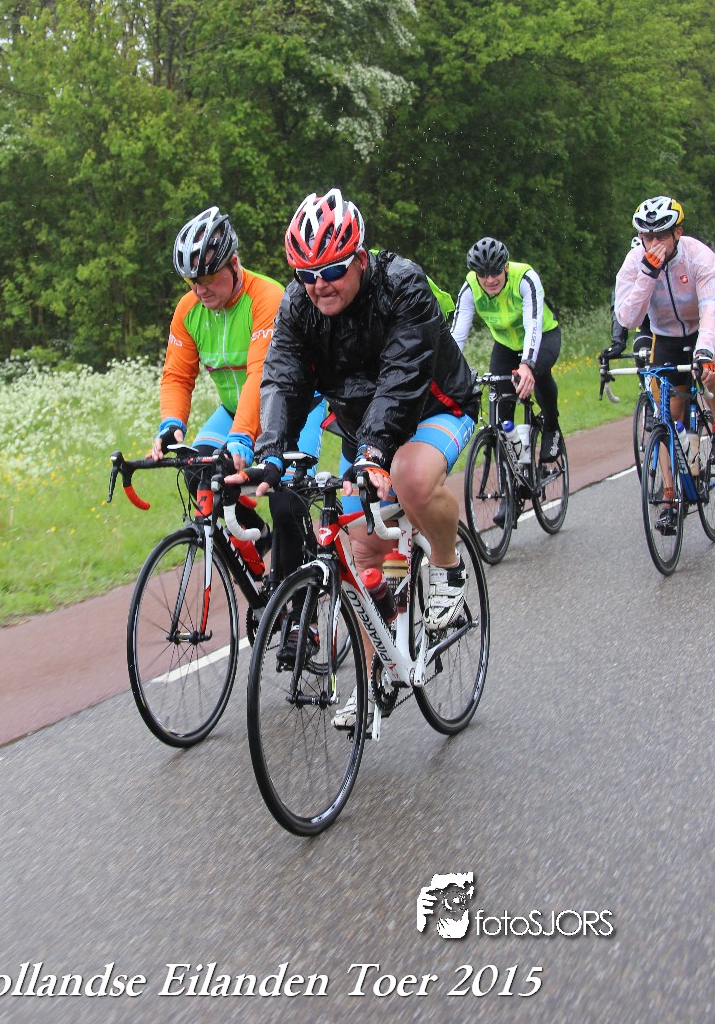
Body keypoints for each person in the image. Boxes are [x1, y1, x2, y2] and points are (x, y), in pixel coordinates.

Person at [238, 188, 479, 733]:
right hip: (362, 428)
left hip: (433, 407)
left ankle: (448, 566)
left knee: (409, 479)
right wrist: (269, 452)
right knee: (363, 551)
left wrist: (373, 455)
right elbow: (283, 377)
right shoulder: (300, 305)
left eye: (332, 270)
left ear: (361, 260)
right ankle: (377, 678)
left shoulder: (403, 285)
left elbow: (402, 378)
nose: (319, 284)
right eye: (306, 274)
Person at [150, 205, 324, 581]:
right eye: (191, 281)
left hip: (293, 413)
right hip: (234, 411)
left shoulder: (267, 298)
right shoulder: (188, 310)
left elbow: (262, 375)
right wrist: (171, 423)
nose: (200, 289)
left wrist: (243, 435)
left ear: (233, 264)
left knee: (285, 503)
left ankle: (298, 606)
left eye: (208, 277)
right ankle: (260, 539)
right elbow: (177, 375)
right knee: (197, 472)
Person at [614, 196, 715, 530]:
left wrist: (704, 353)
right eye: (648, 237)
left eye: (661, 235)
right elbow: (628, 317)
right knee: (665, 415)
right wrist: (647, 274)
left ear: (678, 232)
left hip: (706, 329)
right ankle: (669, 496)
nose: (654, 244)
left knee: (709, 373)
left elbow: (712, 308)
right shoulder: (635, 262)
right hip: (666, 337)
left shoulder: (699, 256)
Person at [451, 238, 563, 462]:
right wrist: (448, 372)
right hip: (506, 345)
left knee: (538, 374)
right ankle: (513, 466)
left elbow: (532, 324)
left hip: (543, 336)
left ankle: (552, 426)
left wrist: (527, 365)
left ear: (506, 267)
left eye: (495, 272)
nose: (490, 279)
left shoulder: (525, 278)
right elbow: (457, 335)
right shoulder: (470, 288)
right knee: (501, 406)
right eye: (483, 274)